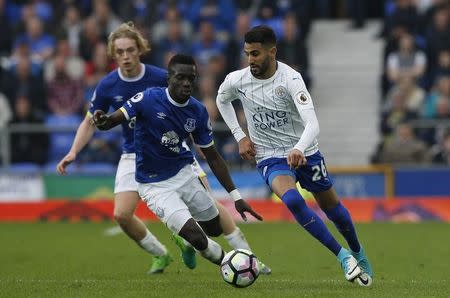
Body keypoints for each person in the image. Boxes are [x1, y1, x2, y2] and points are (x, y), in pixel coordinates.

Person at [56, 22, 270, 274]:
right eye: (120, 52)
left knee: (211, 215)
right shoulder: (109, 86)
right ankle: (174, 253)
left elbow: (208, 147)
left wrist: (236, 197)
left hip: (178, 156)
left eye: (130, 50)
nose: (125, 56)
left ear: (140, 50)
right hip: (135, 155)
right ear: (114, 54)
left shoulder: (163, 78)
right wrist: (75, 149)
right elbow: (96, 121)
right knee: (122, 215)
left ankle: (241, 254)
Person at [216, 25, 373, 286]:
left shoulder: (291, 79)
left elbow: (313, 124)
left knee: (332, 208)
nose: (251, 60)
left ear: (272, 51)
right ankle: (343, 256)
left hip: (306, 152)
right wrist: (240, 136)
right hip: (268, 155)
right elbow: (222, 100)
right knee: (292, 200)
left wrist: (299, 148)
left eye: (255, 54)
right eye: (247, 54)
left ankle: (357, 250)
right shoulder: (237, 80)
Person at [92, 54, 262, 268]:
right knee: (198, 238)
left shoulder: (198, 111)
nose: (187, 83)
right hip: (154, 185)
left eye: (191, 78)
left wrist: (236, 197)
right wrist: (103, 120)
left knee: (214, 229)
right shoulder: (147, 99)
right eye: (181, 77)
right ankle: (230, 265)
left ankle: (186, 236)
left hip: (184, 173)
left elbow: (213, 157)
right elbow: (113, 119)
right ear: (169, 78)